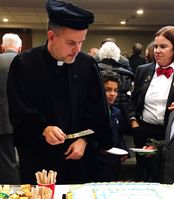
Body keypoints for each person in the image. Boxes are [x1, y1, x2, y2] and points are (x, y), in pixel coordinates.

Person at [7, 0, 113, 184]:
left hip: (79, 159)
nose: (77, 50)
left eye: (81, 42)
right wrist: (43, 128)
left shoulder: (87, 65)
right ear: (51, 36)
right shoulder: (25, 63)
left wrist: (85, 141)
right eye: (71, 42)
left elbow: (98, 112)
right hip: (40, 157)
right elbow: (19, 110)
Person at [128, 25, 174, 182]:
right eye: (155, 46)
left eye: (163, 46)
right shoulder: (143, 70)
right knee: (142, 172)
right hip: (144, 130)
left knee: (164, 174)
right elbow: (132, 101)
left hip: (170, 132)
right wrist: (134, 123)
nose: (157, 50)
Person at [95, 70, 129, 181]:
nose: (112, 94)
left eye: (115, 90)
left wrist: (124, 150)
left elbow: (119, 136)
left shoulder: (116, 112)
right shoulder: (92, 113)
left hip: (114, 162)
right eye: (107, 90)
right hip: (96, 162)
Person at [97, 41, 134, 134]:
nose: (113, 93)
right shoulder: (126, 74)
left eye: (115, 90)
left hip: (98, 111)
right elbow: (127, 98)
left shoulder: (93, 71)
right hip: (121, 114)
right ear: (118, 56)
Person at [0, 33, 22, 184]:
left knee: (7, 162)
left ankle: (12, 193)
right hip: (25, 120)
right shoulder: (26, 62)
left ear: (2, 47)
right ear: (20, 48)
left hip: (3, 120)